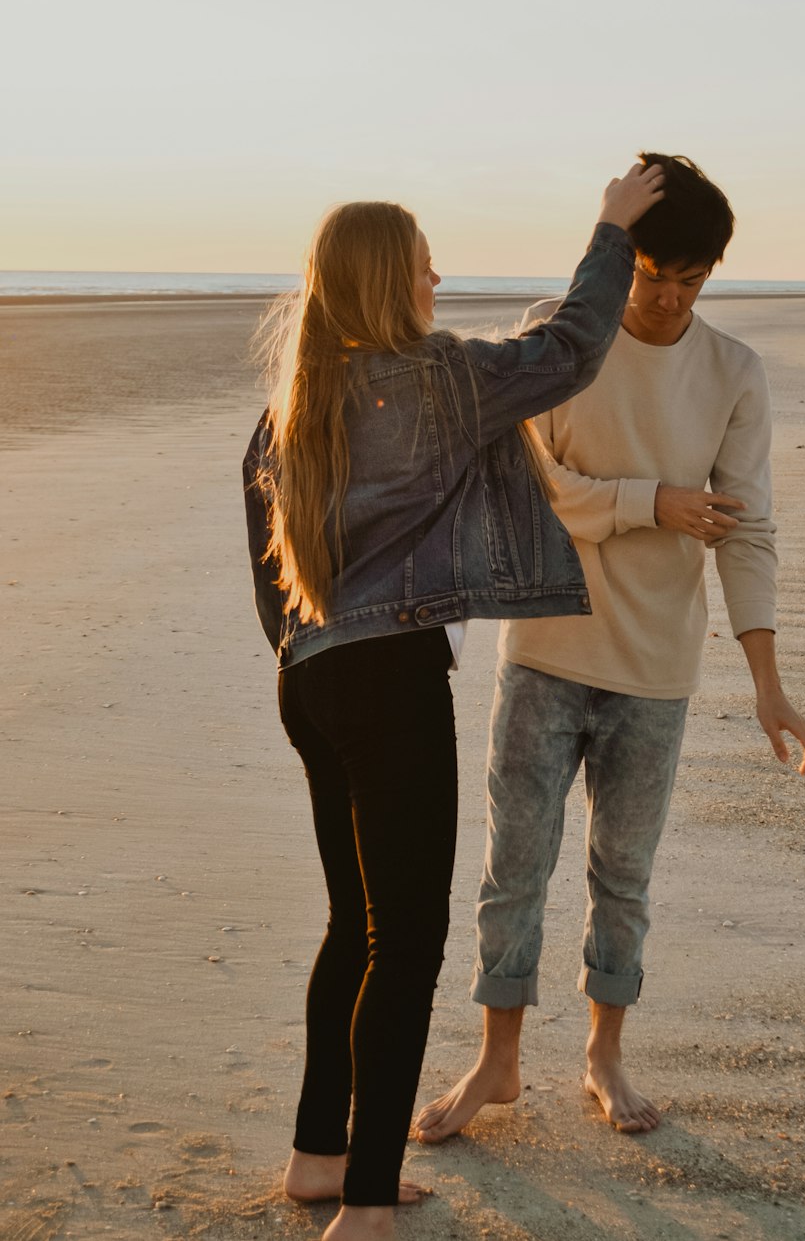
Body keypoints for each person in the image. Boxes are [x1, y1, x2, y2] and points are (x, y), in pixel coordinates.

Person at [242, 161, 664, 1241]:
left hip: (313, 677)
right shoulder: (436, 378)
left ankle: (316, 1156)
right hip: (387, 681)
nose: (440, 272)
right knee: (409, 937)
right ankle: (369, 1202)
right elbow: (570, 347)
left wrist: (314, 666)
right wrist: (612, 227)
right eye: (423, 257)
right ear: (387, 278)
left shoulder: (293, 398)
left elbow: (268, 566)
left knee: (353, 922)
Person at [416, 153, 805, 1146]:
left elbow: (749, 527)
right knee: (514, 861)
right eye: (651, 275)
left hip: (657, 669)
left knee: (623, 872)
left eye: (691, 279)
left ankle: (603, 1054)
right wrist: (656, 503)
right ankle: (498, 1056)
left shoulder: (734, 373)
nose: (669, 297)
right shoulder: (558, 345)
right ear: (621, 261)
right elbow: (543, 491)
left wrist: (768, 682)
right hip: (547, 650)